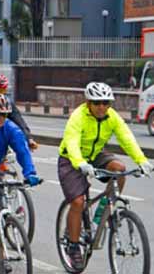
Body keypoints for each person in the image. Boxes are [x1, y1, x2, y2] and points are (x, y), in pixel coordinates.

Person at [57, 82, 152, 269]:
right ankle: (74, 246)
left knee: (120, 169)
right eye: (97, 103)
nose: (101, 107)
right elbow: (72, 141)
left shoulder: (112, 117)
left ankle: (105, 210)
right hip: (71, 158)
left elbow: (126, 137)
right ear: (88, 103)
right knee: (77, 202)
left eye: (106, 103)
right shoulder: (78, 117)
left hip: (95, 155)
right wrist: (81, 163)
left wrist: (142, 160)